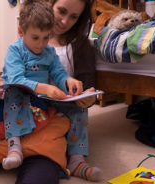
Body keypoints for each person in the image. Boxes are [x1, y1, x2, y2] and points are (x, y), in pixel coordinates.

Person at [0, 0, 83, 170]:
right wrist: (44, 88)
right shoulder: (15, 50)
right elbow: (15, 79)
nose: (41, 43)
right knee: (12, 93)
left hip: (43, 99)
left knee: (78, 107)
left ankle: (77, 159)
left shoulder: (49, 52)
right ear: (21, 31)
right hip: (21, 95)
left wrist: (68, 81)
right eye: (35, 37)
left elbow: (58, 73)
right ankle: (14, 148)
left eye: (46, 37)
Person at [49, 0, 102, 181]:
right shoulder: (33, 36)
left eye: (73, 17)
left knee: (79, 109)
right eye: (61, 11)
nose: (64, 22)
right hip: (36, 108)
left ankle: (76, 160)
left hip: (66, 111)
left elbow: (88, 85)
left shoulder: (80, 45)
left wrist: (88, 97)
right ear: (50, 4)